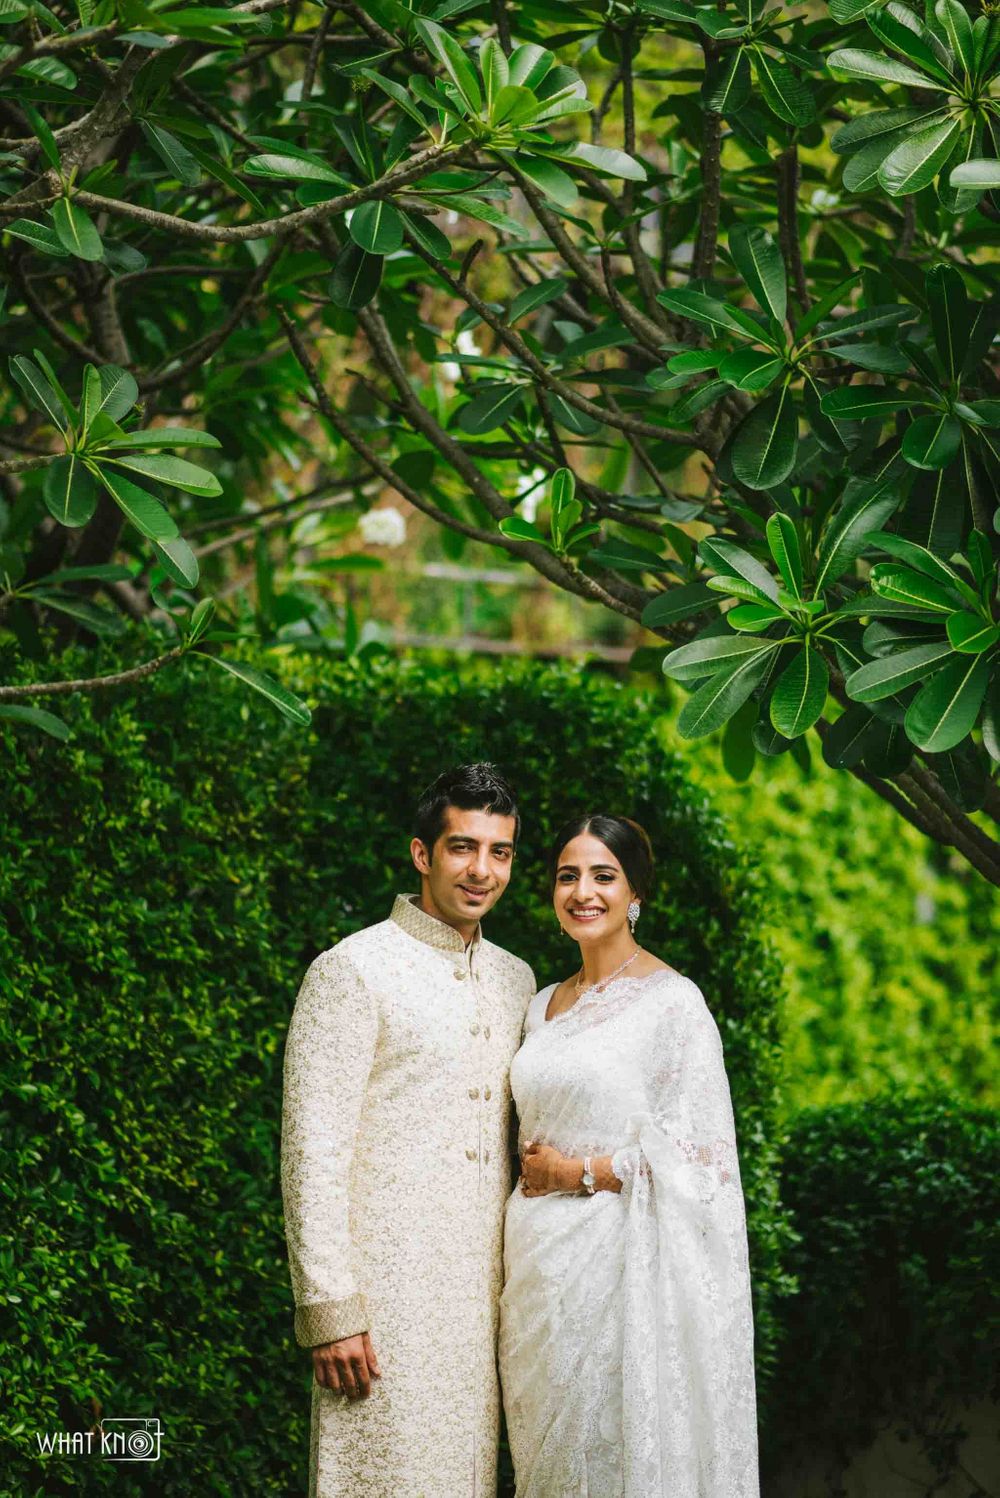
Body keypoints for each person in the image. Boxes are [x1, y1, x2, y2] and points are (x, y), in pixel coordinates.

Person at [280, 763, 536, 1498]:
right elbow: (312, 1147)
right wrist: (329, 1309)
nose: (481, 871)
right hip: (385, 1300)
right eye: (462, 848)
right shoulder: (352, 970)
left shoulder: (516, 979)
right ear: (422, 854)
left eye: (501, 852)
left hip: (486, 1303)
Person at [498, 814, 759, 1498]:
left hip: (621, 1277)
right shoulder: (540, 1006)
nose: (582, 891)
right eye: (567, 876)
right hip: (534, 1277)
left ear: (635, 893)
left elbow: (704, 1166)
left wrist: (578, 1172)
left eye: (603, 876)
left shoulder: (673, 1006)